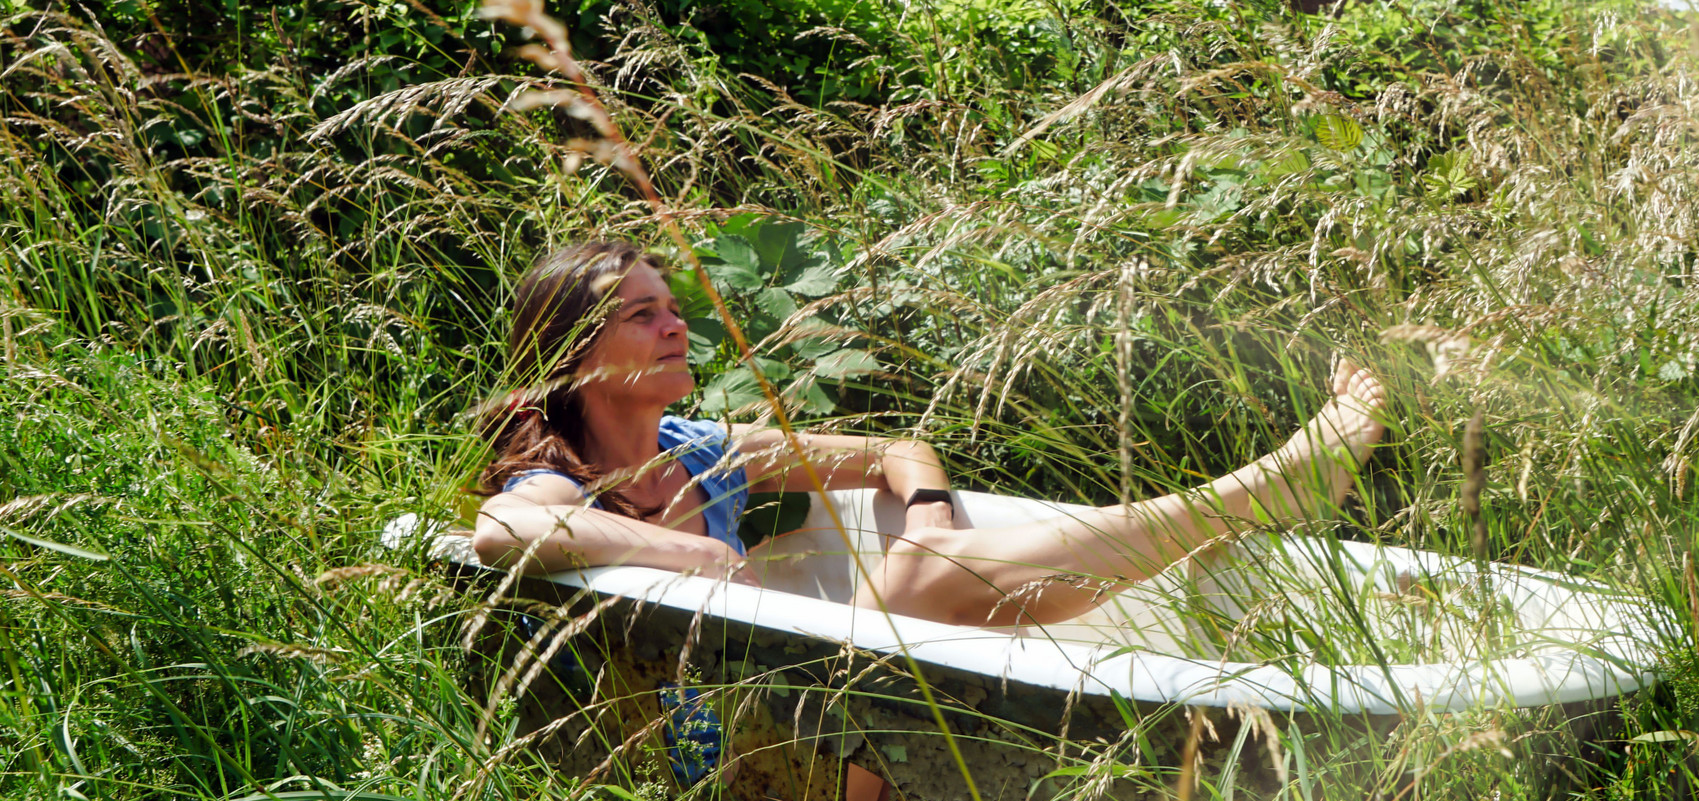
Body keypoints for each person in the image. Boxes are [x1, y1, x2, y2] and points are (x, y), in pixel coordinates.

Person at [472, 239, 1388, 629]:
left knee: (921, 565)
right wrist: (700, 562)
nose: (677, 326)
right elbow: (506, 531)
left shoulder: (710, 453)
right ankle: (1252, 496)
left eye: (675, 308)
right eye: (643, 316)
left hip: (820, 723)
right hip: (721, 771)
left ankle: (1239, 502)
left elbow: (896, 450)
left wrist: (936, 514)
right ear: (577, 352)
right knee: (914, 582)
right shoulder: (565, 475)